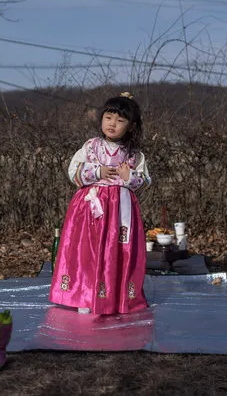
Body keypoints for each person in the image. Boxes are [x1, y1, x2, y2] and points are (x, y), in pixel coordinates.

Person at [49, 92, 151, 315]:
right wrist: (97, 171)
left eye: (120, 120)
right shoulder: (91, 146)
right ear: (101, 119)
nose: (113, 124)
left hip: (121, 211)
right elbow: (73, 171)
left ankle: (115, 298)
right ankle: (85, 295)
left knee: (117, 251)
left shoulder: (134, 154)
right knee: (87, 251)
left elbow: (144, 180)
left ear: (131, 126)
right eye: (108, 118)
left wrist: (129, 177)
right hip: (90, 209)